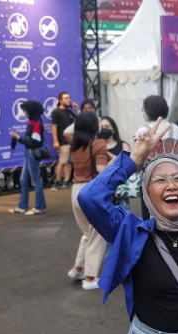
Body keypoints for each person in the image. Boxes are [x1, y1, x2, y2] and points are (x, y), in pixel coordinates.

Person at [77, 118, 178, 334]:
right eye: (159, 180)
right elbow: (90, 198)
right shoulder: (132, 232)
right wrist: (133, 161)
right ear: (146, 191)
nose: (171, 185)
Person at [67, 111, 114, 290]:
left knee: (88, 233)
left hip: (76, 190)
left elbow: (67, 130)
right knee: (97, 235)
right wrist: (115, 163)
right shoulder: (99, 143)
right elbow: (102, 169)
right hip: (92, 191)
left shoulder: (76, 145)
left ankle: (78, 268)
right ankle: (90, 277)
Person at [136, 95, 178, 220]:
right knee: (173, 211)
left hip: (151, 177)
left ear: (147, 111)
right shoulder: (175, 128)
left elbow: (138, 156)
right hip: (174, 175)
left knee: (150, 214)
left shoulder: (143, 130)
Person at [8, 100, 47, 215]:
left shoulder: (36, 124)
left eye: (25, 110)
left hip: (32, 153)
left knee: (36, 181)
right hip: (29, 153)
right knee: (23, 180)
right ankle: (22, 206)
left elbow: (35, 142)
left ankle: (39, 207)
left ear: (30, 111)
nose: (24, 112)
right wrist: (19, 138)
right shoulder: (32, 122)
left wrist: (19, 138)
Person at [100, 116, 132, 209]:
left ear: (113, 129)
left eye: (107, 126)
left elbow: (127, 166)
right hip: (102, 191)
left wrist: (113, 158)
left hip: (120, 189)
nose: (104, 129)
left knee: (123, 218)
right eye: (101, 127)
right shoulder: (96, 147)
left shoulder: (124, 145)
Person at [51, 91, 77, 191]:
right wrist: (55, 141)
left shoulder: (70, 112)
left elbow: (78, 122)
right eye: (66, 98)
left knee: (70, 161)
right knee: (62, 161)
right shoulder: (56, 112)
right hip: (63, 141)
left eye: (69, 98)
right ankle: (57, 182)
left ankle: (66, 181)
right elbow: (54, 127)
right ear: (60, 101)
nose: (69, 100)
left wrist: (76, 110)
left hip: (72, 141)